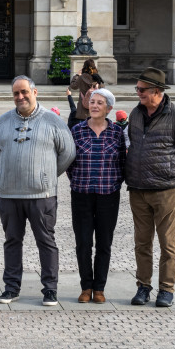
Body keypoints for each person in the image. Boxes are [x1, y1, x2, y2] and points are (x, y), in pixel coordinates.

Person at [0, 75, 75, 306]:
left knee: (46, 241)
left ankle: (50, 289)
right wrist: (13, 171)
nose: (20, 97)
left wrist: (44, 174)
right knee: (12, 241)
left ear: (34, 93)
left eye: (24, 92)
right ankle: (11, 288)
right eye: (16, 93)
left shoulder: (52, 121)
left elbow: (67, 153)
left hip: (41, 195)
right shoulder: (3, 121)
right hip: (9, 194)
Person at [126, 68, 175, 308]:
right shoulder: (136, 114)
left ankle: (166, 289)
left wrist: (172, 176)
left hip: (165, 190)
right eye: (137, 89)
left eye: (142, 90)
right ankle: (143, 287)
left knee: (167, 243)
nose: (138, 93)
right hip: (138, 188)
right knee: (142, 242)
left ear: (157, 91)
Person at [66, 88, 125, 304]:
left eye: (100, 102)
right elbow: (69, 162)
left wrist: (115, 182)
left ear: (109, 108)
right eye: (92, 102)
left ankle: (99, 287)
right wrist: (77, 181)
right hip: (81, 193)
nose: (94, 105)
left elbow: (122, 163)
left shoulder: (117, 132)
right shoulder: (77, 130)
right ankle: (85, 286)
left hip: (108, 194)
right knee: (83, 242)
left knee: (104, 243)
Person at [68, 59, 103, 130]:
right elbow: (103, 90)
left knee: (83, 131)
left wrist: (77, 75)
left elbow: (73, 86)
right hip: (95, 109)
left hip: (83, 110)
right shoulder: (97, 79)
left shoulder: (81, 78)